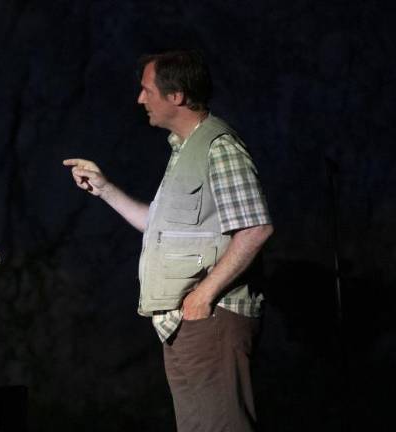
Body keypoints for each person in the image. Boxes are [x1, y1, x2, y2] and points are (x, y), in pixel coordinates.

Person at [64, 50, 273, 431]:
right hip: (185, 323)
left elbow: (255, 228)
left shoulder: (218, 146)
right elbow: (156, 226)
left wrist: (203, 295)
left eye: (147, 90)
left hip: (212, 318)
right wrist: (104, 189)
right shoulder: (184, 150)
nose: (140, 99)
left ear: (176, 95)